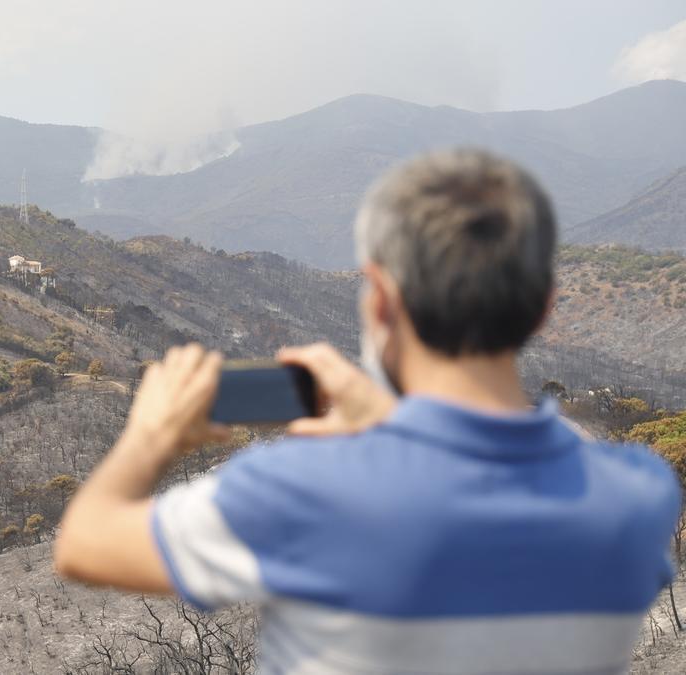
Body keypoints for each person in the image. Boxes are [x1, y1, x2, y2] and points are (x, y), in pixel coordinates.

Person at [53, 148, 681, 674]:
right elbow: (469, 503)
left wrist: (150, 435)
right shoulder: (639, 497)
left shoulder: (306, 492)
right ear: (544, 305)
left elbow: (85, 543)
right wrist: (390, 424)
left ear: (381, 301)